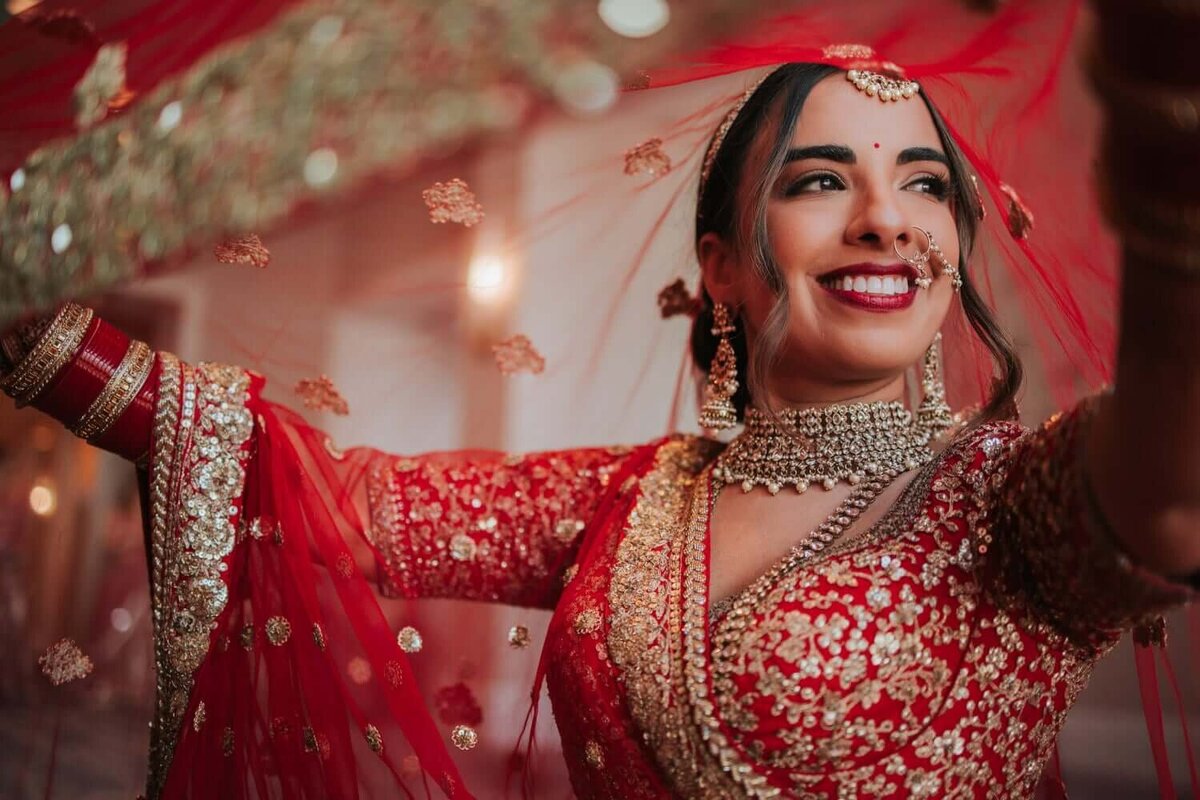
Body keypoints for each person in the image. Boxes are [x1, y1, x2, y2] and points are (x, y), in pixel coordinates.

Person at [1, 1, 1197, 798]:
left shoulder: (1011, 506)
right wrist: (40, 338)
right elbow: (333, 493)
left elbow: (1174, 494)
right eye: (821, 179)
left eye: (924, 185)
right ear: (723, 263)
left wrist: (1172, 123)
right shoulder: (631, 502)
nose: (886, 217)